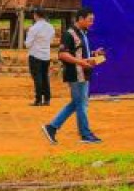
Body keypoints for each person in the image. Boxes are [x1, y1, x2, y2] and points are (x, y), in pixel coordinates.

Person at [41, 8, 103, 145]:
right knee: (81, 104)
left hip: (83, 73)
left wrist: (94, 54)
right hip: (77, 74)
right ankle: (85, 134)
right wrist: (81, 62)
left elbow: (80, 52)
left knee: (77, 103)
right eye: (90, 19)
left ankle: (52, 127)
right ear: (80, 19)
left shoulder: (82, 33)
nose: (92, 22)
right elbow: (62, 54)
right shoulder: (69, 34)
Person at [24, 8, 55, 106]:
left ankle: (38, 99)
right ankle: (47, 99)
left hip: (35, 55)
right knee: (45, 77)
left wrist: (27, 37)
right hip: (46, 55)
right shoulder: (50, 27)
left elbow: (28, 44)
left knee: (37, 77)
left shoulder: (34, 28)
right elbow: (51, 41)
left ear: (36, 15)